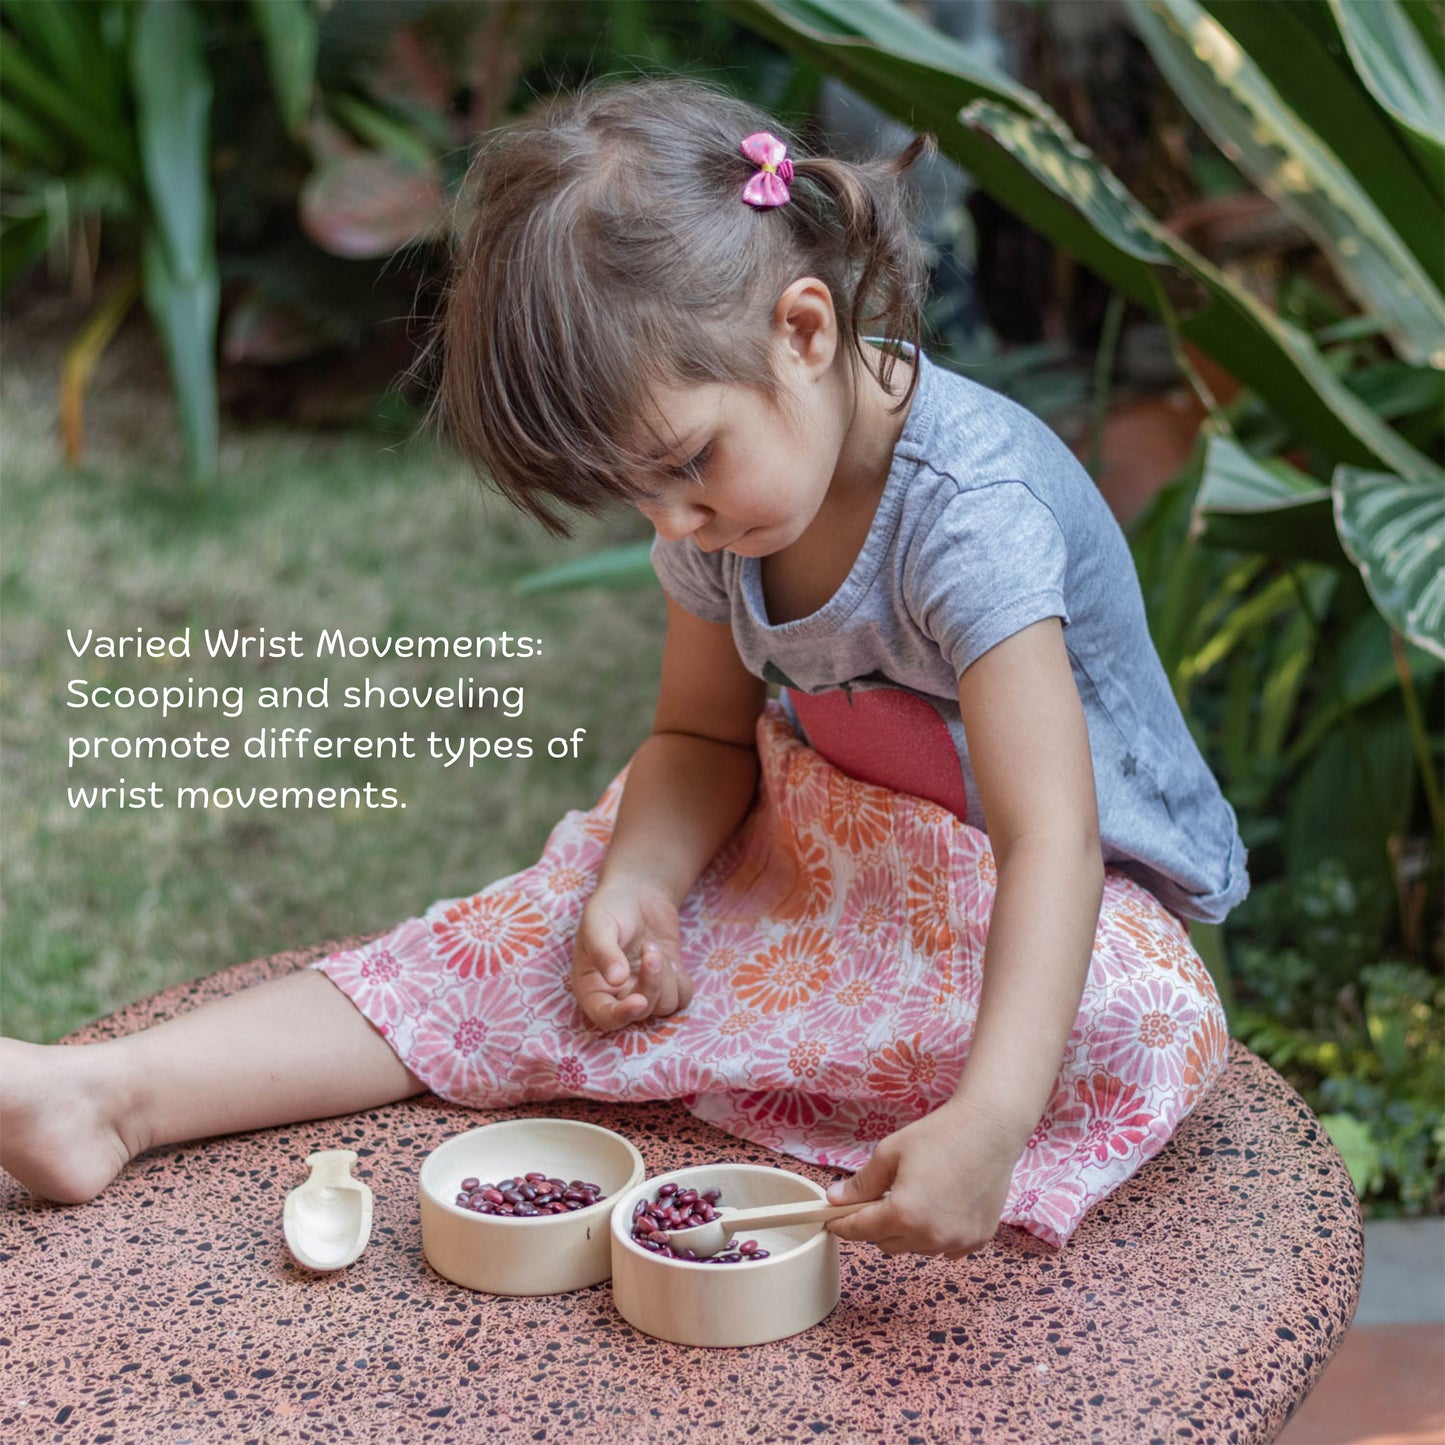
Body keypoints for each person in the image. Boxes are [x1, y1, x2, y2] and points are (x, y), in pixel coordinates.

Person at [0, 78, 1246, 1256]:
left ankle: (895, 1098)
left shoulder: (970, 516)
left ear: (804, 328)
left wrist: (989, 1119)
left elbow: (1052, 842)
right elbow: (702, 741)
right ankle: (109, 1095)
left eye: (686, 464)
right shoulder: (721, 510)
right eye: (635, 495)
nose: (672, 526)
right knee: (523, 940)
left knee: (1133, 1025)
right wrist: (641, 883)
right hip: (826, 861)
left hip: (1040, 909)